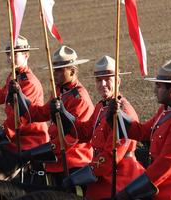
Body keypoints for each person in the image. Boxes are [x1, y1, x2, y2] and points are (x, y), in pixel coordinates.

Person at [115, 59, 171, 200]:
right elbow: (143, 132)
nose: (154, 90)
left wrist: (129, 192)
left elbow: (165, 164)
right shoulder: (166, 110)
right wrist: (117, 115)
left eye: (158, 86)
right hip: (163, 185)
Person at [63, 55, 145, 199]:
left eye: (108, 79)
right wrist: (63, 115)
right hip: (101, 178)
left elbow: (110, 157)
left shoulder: (123, 112)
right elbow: (85, 132)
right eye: (99, 80)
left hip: (118, 181)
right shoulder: (101, 107)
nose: (103, 84)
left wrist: (78, 177)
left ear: (118, 81)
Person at [13, 45, 95, 186]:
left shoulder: (79, 98)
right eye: (53, 70)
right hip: (56, 160)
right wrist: (19, 96)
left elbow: (72, 137)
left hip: (72, 160)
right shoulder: (58, 91)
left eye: (58, 70)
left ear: (72, 71)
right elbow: (40, 113)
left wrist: (40, 151)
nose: (54, 74)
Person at [0, 35, 49, 152]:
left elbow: (20, 117)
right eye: (8, 53)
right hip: (16, 137)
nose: (10, 57)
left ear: (26, 55)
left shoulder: (29, 82)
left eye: (14, 53)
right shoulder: (14, 77)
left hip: (31, 139)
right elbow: (1, 96)